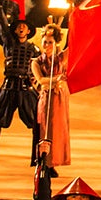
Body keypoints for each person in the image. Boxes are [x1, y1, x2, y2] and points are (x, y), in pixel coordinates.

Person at [0, 18, 41, 160]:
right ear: (14, 31)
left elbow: (42, 66)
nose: (21, 28)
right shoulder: (9, 44)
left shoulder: (34, 49)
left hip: (26, 87)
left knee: (36, 121)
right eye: (19, 27)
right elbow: (2, 25)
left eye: (24, 26)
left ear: (28, 31)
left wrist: (37, 81)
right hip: (9, 86)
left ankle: (38, 152)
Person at [35, 25, 71, 167]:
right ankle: (45, 161)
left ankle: (55, 161)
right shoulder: (36, 62)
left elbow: (73, 45)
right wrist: (57, 79)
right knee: (45, 128)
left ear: (56, 43)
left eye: (50, 42)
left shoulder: (61, 58)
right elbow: (41, 80)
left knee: (58, 129)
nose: (47, 45)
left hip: (59, 97)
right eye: (45, 42)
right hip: (46, 97)